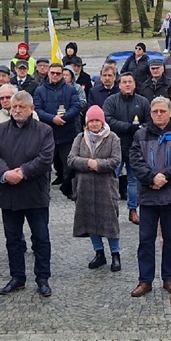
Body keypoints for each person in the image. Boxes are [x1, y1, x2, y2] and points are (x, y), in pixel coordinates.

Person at [0, 90, 57, 297]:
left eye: (21, 107)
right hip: (9, 193)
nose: (17, 110)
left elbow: (46, 159)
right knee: (13, 239)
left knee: (41, 238)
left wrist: (23, 172)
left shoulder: (44, 130)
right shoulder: (0, 130)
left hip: (34, 193)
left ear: (31, 109)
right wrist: (5, 173)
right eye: (14, 107)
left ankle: (42, 278)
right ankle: (17, 277)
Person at [129, 96, 171, 296]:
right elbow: (136, 160)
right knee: (146, 239)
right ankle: (145, 280)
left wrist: (165, 177)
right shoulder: (140, 134)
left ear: (170, 112)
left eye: (162, 111)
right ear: (150, 113)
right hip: (149, 196)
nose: (158, 114)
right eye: (155, 111)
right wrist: (151, 178)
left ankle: (169, 278)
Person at [69, 105, 123, 271]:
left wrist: (98, 164)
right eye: (91, 121)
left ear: (102, 122)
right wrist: (87, 163)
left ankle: (115, 254)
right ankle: (99, 253)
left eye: (96, 120)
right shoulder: (80, 137)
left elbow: (116, 160)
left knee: (110, 222)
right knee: (90, 221)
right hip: (84, 186)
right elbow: (71, 159)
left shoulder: (113, 138)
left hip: (105, 186)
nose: (94, 124)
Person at [104, 73, 150, 225]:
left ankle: (133, 210)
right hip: (114, 148)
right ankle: (109, 212)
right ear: (119, 84)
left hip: (136, 148)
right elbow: (108, 120)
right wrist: (130, 127)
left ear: (135, 84)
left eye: (130, 82)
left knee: (134, 181)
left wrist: (139, 129)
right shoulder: (111, 101)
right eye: (124, 82)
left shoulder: (143, 101)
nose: (127, 84)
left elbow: (149, 122)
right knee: (111, 180)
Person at [33, 61, 83, 199]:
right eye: (52, 73)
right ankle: (43, 192)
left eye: (58, 73)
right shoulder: (40, 90)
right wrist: (52, 118)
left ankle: (71, 191)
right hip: (47, 134)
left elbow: (76, 106)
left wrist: (64, 118)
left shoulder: (70, 89)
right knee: (45, 166)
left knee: (69, 165)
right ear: (48, 73)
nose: (55, 75)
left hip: (67, 133)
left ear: (62, 75)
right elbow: (37, 109)